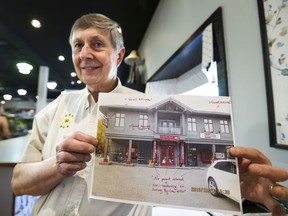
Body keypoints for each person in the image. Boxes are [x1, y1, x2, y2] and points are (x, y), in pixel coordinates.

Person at [11, 13, 287, 216]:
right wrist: (57, 165)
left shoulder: (148, 106)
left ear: (119, 57)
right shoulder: (56, 107)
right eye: (78, 45)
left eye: (96, 44)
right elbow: (19, 183)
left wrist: (234, 190)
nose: (85, 54)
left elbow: (180, 182)